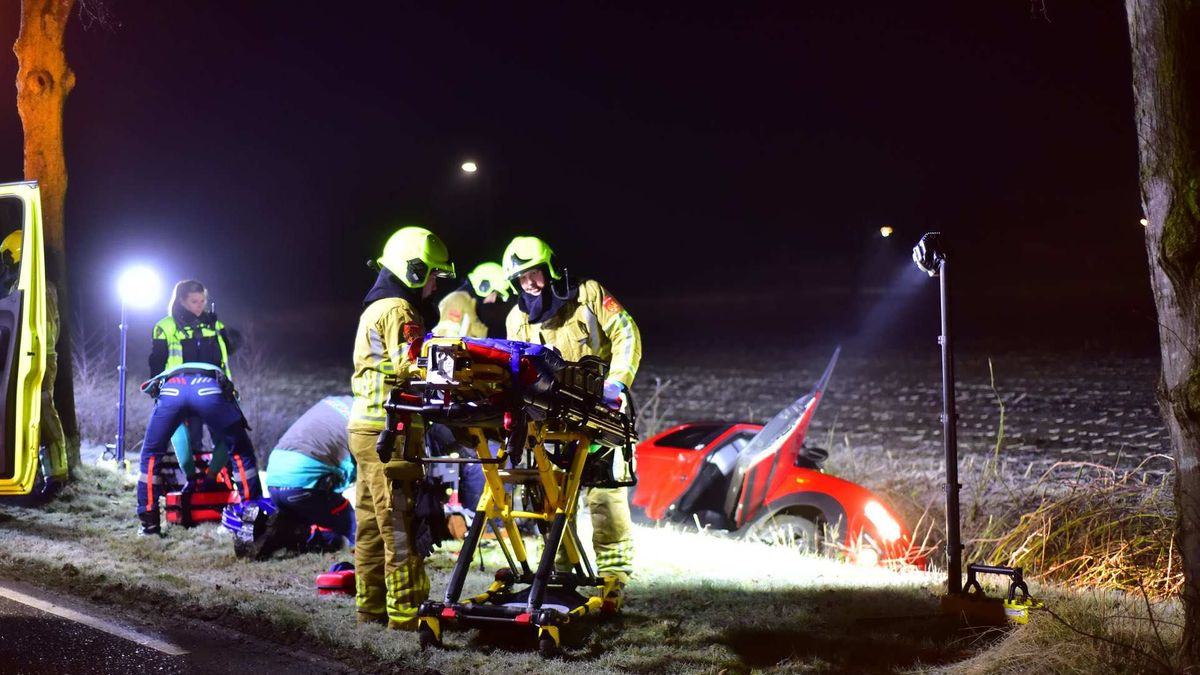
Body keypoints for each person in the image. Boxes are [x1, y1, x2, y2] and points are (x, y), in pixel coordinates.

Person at [503, 235, 641, 602]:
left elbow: (625, 332)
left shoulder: (589, 294)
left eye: (534, 274)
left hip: (601, 413)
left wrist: (618, 383)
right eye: (521, 279)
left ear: (548, 268)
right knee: (551, 498)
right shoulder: (516, 318)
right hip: (550, 421)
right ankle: (560, 572)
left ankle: (614, 579)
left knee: (604, 497)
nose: (530, 284)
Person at [348, 226, 455, 629]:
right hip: (389, 433)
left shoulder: (377, 306)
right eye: (432, 276)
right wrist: (453, 365)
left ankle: (370, 609)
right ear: (413, 270)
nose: (433, 287)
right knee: (400, 523)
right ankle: (408, 614)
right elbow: (412, 365)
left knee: (372, 527)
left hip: (365, 427)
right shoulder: (399, 310)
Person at [136, 362, 262, 536]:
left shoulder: (168, 377)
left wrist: (191, 477)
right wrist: (211, 476)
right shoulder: (218, 377)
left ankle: (149, 527)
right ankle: (252, 519)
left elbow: (180, 442)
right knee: (241, 452)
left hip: (172, 390)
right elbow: (225, 445)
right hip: (209, 388)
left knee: (150, 457)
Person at [428, 262, 513, 514]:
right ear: (483, 286)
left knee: (499, 444)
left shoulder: (475, 314)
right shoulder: (458, 303)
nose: (494, 301)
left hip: (462, 400)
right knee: (485, 452)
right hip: (445, 403)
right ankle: (491, 522)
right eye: (494, 294)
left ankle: (496, 518)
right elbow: (443, 358)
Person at [149, 280, 238, 480]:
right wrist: (156, 388)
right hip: (180, 393)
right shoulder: (165, 326)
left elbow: (225, 356)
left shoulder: (216, 325)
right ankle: (190, 481)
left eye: (203, 301)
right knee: (188, 441)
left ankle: (217, 480)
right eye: (194, 301)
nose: (200, 305)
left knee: (228, 436)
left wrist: (232, 338)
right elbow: (157, 362)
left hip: (214, 393)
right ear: (182, 301)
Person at [0, 231, 66, 494]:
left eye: (7, 257)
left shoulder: (32, 287)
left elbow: (42, 330)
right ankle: (37, 473)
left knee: (41, 411)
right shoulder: (31, 284)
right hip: (35, 354)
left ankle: (56, 475)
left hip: (36, 356)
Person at [263, 396, 357, 550]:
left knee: (331, 534)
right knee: (353, 522)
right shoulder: (362, 423)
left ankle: (291, 536)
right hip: (303, 485)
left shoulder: (334, 402)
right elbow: (364, 470)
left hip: (274, 479)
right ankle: (371, 560)